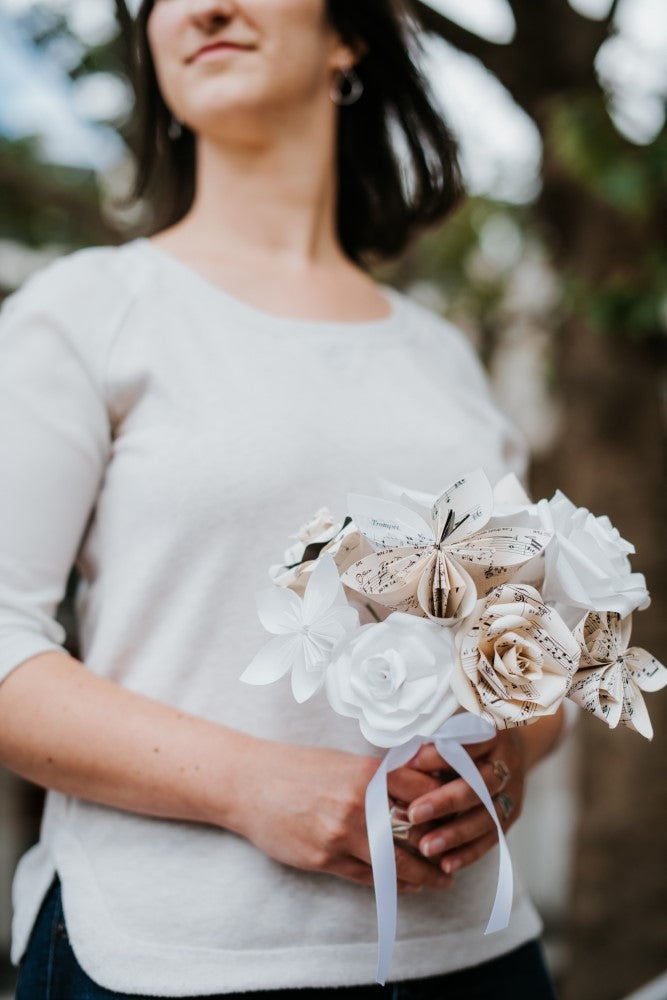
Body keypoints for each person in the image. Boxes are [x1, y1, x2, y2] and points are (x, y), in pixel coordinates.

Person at [0, 1, 565, 997]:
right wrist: (252, 786)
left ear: (349, 35)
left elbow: (530, 645)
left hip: (478, 956)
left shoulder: (442, 358)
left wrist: (508, 758)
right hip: (166, 963)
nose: (204, 7)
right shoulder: (88, 310)